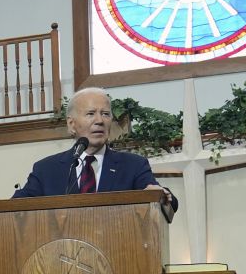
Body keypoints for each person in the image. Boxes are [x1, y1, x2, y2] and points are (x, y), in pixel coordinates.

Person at [12, 87, 178, 218]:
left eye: (105, 114)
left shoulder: (133, 165)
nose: (99, 121)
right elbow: (17, 205)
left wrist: (161, 195)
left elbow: (164, 200)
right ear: (71, 124)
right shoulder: (46, 169)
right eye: (91, 114)